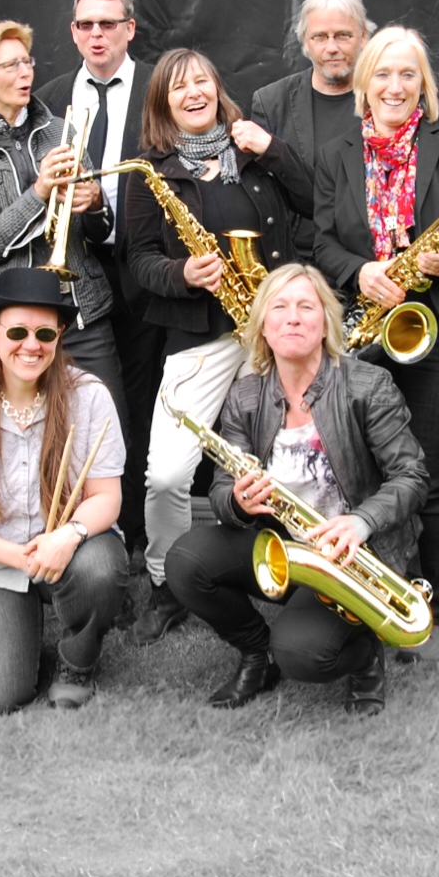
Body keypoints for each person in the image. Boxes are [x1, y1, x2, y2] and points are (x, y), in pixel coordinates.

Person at [166, 265, 428, 715]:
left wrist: (361, 521)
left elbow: (413, 475)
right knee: (186, 562)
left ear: (325, 323)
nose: (292, 318)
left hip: (353, 553)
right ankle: (257, 654)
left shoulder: (367, 386)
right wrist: (238, 501)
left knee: (302, 654)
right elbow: (222, 488)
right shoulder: (245, 396)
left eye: (306, 306)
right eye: (279, 307)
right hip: (283, 547)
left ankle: (365, 656)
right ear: (262, 327)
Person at [121, 47, 313, 644]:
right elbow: (138, 260)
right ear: (163, 102)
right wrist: (182, 274)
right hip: (201, 334)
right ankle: (166, 581)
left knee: (294, 461)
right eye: (178, 87)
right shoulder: (150, 171)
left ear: (218, 87)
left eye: (202, 80)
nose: (194, 93)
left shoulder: (255, 149)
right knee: (166, 474)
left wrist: (273, 150)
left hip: (273, 329)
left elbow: (317, 203)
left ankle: (304, 570)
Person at [312, 25, 439, 656]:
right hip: (367, 331)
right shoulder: (335, 154)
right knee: (367, 475)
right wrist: (360, 271)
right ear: (365, 84)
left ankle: (438, 613)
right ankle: (375, 594)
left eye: (407, 74)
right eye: (383, 74)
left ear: (424, 85)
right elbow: (321, 241)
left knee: (430, 477)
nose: (395, 86)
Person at [0, 268, 129, 714]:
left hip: (68, 550)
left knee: (100, 568)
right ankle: (17, 625)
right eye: (18, 332)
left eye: (45, 333)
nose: (31, 345)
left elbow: (107, 498)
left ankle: (77, 660)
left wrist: (67, 536)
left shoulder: (89, 396)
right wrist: (19, 558)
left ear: (59, 336)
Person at [36, 0, 165, 554]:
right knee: (85, 404)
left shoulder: (159, 86)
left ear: (129, 29)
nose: (96, 34)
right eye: (85, 24)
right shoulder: (51, 96)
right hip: (80, 270)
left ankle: (136, 533)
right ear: (72, 32)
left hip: (145, 269)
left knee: (140, 402)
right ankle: (85, 526)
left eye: (108, 24)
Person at [0, 20, 124, 402]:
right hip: (5, 319)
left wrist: (94, 203)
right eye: (12, 65)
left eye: (27, 62)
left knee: (106, 421)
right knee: (7, 431)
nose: (26, 73)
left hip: (78, 312)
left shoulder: (62, 131)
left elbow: (99, 230)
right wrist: (40, 191)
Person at [249, 0, 373, 259]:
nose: (332, 48)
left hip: (370, 260)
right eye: (320, 37)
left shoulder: (387, 99)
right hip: (298, 262)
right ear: (305, 41)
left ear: (364, 36)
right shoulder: (271, 103)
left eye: (343, 35)